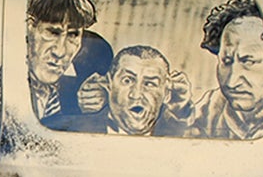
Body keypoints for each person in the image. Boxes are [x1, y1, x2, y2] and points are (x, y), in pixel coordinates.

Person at [163, 0, 263, 140]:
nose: (232, 81)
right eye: (226, 61)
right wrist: (178, 112)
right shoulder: (211, 107)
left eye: (248, 62)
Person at [46, 45, 184, 136]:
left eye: (149, 84)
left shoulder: (183, 139)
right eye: (127, 80)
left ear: (166, 94)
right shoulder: (65, 130)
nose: (136, 94)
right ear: (109, 84)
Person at [25, 0, 97, 119]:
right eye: (53, 32)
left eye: (72, 35)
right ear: (30, 28)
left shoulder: (78, 83)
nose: (60, 52)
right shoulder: (4, 78)